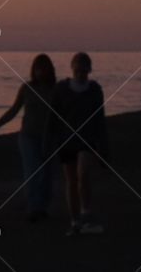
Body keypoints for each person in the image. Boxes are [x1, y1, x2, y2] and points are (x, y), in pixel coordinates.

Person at [45, 52, 109, 236]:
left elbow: (100, 119)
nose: (81, 74)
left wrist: (104, 147)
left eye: (84, 71)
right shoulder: (61, 89)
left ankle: (85, 211)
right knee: (71, 180)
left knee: (83, 174)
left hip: (86, 140)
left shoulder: (95, 90)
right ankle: (75, 220)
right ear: (73, 69)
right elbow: (53, 117)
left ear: (89, 70)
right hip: (66, 140)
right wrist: (47, 141)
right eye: (78, 70)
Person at [0, 54, 57, 221]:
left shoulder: (56, 90)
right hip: (28, 136)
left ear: (50, 70)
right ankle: (33, 208)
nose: (40, 72)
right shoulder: (27, 88)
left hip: (49, 137)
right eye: (37, 69)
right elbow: (14, 110)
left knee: (47, 173)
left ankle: (43, 206)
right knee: (32, 171)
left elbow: (63, 114)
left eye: (43, 68)